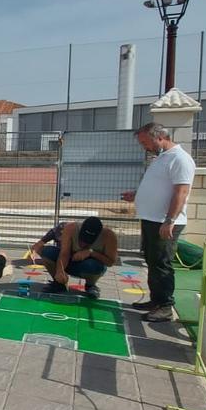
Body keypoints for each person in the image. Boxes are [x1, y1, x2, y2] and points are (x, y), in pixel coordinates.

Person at [121, 122, 195, 322]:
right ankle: (156, 300)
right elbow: (160, 188)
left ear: (160, 137)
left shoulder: (180, 159)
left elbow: (181, 192)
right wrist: (136, 195)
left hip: (164, 222)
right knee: (152, 262)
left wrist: (169, 220)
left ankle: (165, 306)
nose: (145, 146)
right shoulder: (162, 158)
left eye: (146, 142)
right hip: (151, 220)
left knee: (162, 263)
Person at [35, 216, 118, 299]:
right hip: (69, 261)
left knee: (93, 265)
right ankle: (59, 283)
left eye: (88, 241)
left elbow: (111, 262)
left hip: (88, 266)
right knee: (47, 252)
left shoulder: (109, 236)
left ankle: (90, 285)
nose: (84, 244)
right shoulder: (71, 228)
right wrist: (60, 270)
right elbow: (64, 253)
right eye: (82, 239)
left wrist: (91, 253)